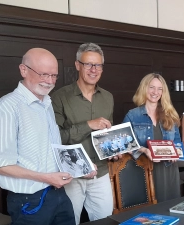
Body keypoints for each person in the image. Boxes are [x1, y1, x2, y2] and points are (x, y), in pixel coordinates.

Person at [0, 48, 74, 225]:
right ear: (23, 70)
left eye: (54, 75)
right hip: (29, 200)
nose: (50, 81)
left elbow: (47, 152)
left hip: (58, 194)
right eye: (44, 74)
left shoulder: (46, 103)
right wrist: (46, 178)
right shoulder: (6, 109)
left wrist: (80, 169)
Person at [51, 43, 116, 224]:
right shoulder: (60, 97)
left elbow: (107, 133)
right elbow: (57, 138)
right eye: (88, 64)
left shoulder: (108, 97)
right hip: (72, 175)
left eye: (98, 65)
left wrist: (113, 151)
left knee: (105, 220)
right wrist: (88, 125)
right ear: (78, 65)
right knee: (71, 221)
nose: (93, 70)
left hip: (101, 173)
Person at [122, 73, 181, 202]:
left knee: (170, 206)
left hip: (168, 170)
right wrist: (144, 150)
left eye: (160, 89)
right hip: (143, 170)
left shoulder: (170, 114)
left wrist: (177, 152)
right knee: (150, 212)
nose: (155, 92)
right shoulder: (132, 115)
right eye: (152, 87)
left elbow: (177, 141)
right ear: (144, 88)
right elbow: (124, 144)